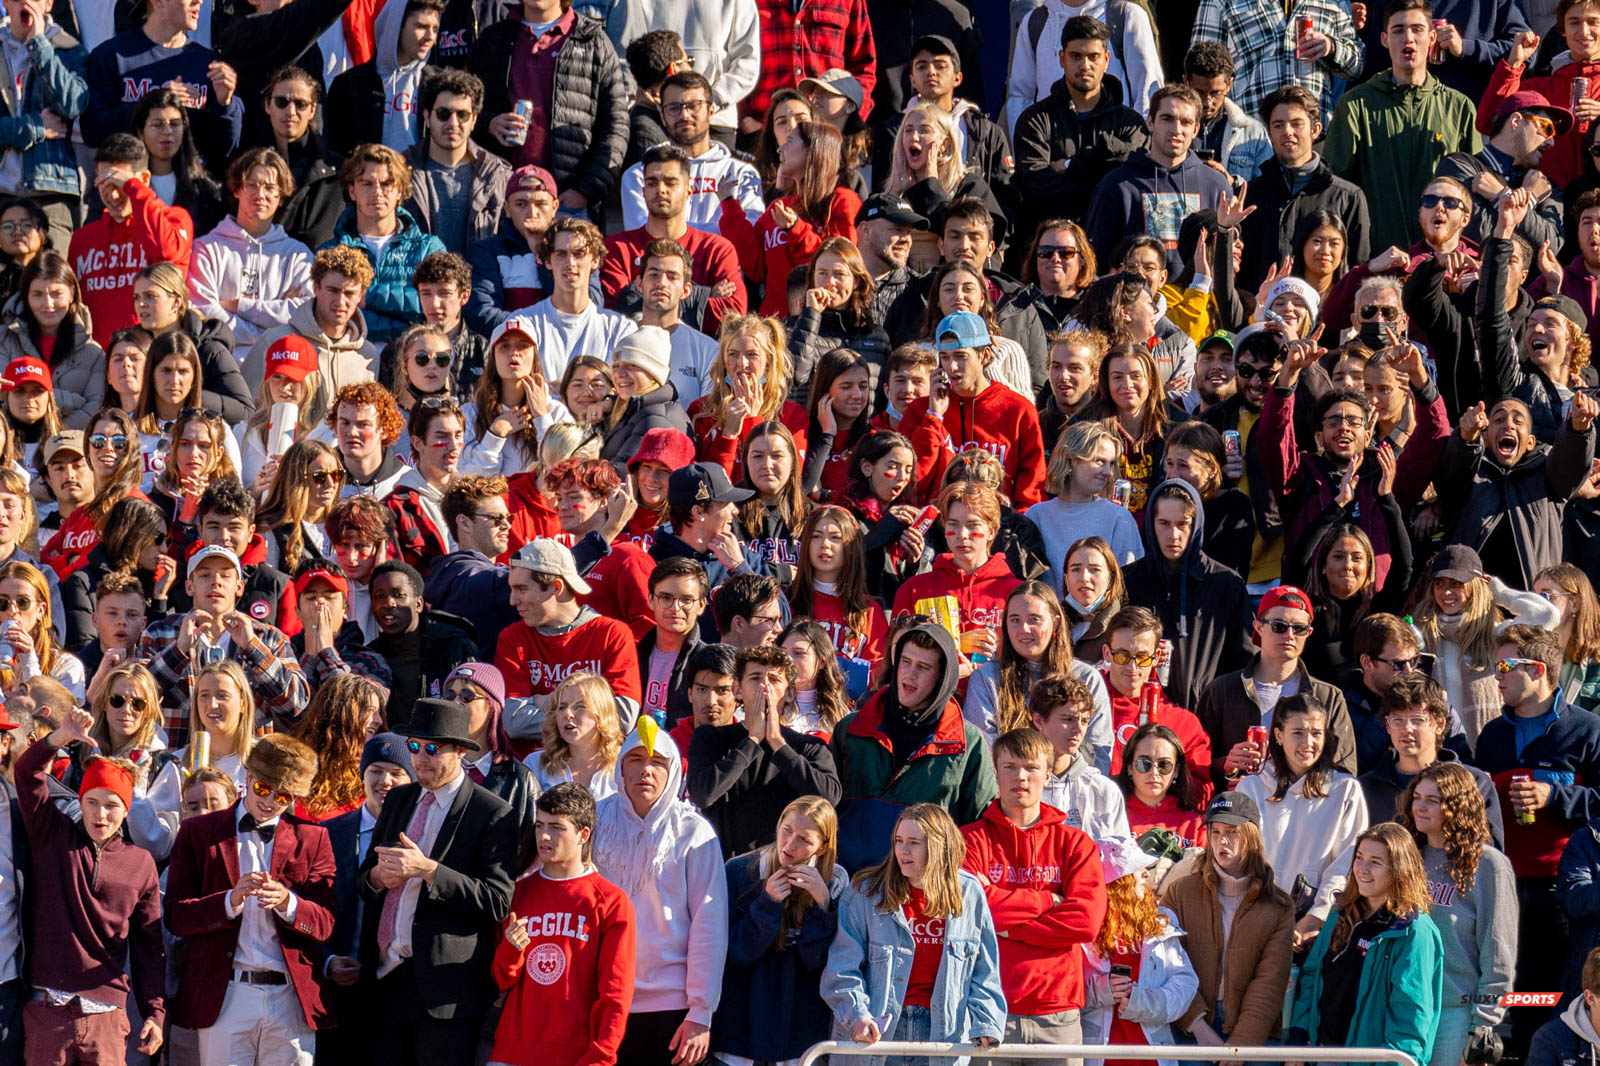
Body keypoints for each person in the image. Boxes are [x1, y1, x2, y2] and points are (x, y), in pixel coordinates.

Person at [357, 698, 519, 1066]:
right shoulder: (399, 799)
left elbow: (497, 900)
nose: (420, 758)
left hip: (445, 993)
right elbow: (364, 880)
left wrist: (429, 870)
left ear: (460, 751)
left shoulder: (491, 812)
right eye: (414, 746)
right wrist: (379, 877)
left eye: (432, 748)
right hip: (385, 978)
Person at [164, 732, 336, 1065]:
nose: (270, 801)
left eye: (283, 796)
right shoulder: (198, 832)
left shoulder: (314, 837)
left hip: (290, 997)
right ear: (248, 777)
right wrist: (229, 902)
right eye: (263, 788)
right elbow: (176, 917)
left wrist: (289, 903)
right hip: (225, 993)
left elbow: (326, 924)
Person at [15, 712, 165, 1064]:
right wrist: (60, 737)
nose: (101, 814)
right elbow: (27, 773)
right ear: (79, 802)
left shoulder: (141, 862)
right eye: (92, 802)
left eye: (112, 805)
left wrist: (154, 1013)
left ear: (126, 810)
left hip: (107, 1018)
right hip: (46, 1009)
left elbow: (148, 946)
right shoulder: (52, 834)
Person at [960, 726, 1108, 1057]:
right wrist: (1048, 901)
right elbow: (970, 914)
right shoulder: (970, 841)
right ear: (995, 773)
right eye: (1010, 767)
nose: (1020, 777)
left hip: (1058, 1013)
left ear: (1047, 773)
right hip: (988, 1009)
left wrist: (1005, 924)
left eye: (1031, 767)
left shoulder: (1075, 844)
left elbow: (1085, 922)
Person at [592, 717, 728, 1066]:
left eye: (657, 762)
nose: (645, 771)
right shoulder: (594, 821)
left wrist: (701, 1012)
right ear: (621, 766)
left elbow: (708, 926)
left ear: (673, 771)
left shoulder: (695, 833)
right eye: (636, 759)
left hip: (671, 1007)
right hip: (600, 997)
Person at [822, 803, 1006, 1055]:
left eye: (914, 843)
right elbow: (842, 967)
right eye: (898, 841)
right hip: (877, 1035)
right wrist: (857, 1016)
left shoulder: (969, 892)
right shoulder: (866, 892)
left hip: (942, 1036)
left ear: (938, 846)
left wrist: (986, 1024)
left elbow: (985, 972)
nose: (902, 851)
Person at [489, 782, 637, 1066]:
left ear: (583, 834)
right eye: (540, 825)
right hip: (511, 1051)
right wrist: (511, 949)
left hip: (575, 1056)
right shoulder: (517, 893)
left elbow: (616, 991)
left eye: (557, 827)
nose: (544, 836)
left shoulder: (611, 902)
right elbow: (501, 978)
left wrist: (601, 1057)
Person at [829, 621, 997, 870]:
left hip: (923, 890)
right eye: (905, 662)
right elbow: (825, 810)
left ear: (942, 676)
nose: (909, 674)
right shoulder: (851, 728)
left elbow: (980, 829)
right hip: (851, 881)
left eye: (923, 667)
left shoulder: (968, 743)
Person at [1287, 822, 1444, 1066]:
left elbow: (1411, 1016)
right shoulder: (1340, 913)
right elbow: (1311, 977)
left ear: (1399, 870)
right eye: (1359, 858)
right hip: (1321, 1055)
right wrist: (1299, 1037)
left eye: (1375, 861)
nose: (1362, 868)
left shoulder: (1413, 931)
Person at [1399, 762, 1519, 1066]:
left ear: (1458, 806)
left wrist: (1483, 1025)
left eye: (1433, 801)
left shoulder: (1488, 865)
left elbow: (1498, 950)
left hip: (1457, 1013)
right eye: (1417, 797)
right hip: (1404, 1007)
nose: (1420, 807)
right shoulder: (1407, 856)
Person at [1159, 791, 1296, 1053]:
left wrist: (1241, 1045)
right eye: (1215, 832)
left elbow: (1270, 981)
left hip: (1254, 1032)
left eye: (1232, 832)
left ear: (1251, 837)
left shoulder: (1279, 905)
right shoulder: (1179, 892)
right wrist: (1198, 1026)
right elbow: (1167, 964)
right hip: (1187, 1027)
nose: (1222, 841)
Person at [713, 794, 845, 1064]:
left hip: (800, 1036)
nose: (789, 844)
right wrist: (767, 904)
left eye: (804, 840)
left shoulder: (834, 880)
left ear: (821, 848)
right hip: (741, 1029)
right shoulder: (740, 870)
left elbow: (819, 964)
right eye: (787, 830)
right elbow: (732, 954)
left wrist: (822, 907)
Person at [469, 0, 629, 222]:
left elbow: (616, 126)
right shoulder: (493, 39)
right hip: (501, 201)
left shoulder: (592, 40)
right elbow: (465, 108)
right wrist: (488, 123)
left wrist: (585, 191)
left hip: (568, 202)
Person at [1236, 693, 1370, 952]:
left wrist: (1316, 917)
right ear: (1278, 735)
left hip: (1317, 931)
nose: (1308, 743)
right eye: (1298, 732)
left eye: (1316, 733)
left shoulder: (1345, 790)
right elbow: (1241, 861)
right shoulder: (1250, 787)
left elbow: (1347, 861)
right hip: (1254, 923)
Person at [138, 544, 310, 742]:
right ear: (189, 586)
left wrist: (254, 648)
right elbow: (137, 699)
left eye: (225, 575)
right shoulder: (159, 632)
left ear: (239, 587)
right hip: (178, 762)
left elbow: (297, 705)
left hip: (247, 767)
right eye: (205, 575)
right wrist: (179, 650)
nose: (215, 582)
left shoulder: (268, 637)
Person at [1198, 585, 1358, 792]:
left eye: (1299, 628)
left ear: (1308, 633)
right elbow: (1193, 764)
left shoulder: (1328, 697)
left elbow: (1345, 770)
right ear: (1258, 627)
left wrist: (1298, 777)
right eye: (1279, 626)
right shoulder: (1221, 690)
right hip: (1239, 813)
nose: (1289, 635)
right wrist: (1226, 766)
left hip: (1304, 812)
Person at [686, 643, 841, 856]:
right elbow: (703, 794)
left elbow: (828, 799)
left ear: (789, 693)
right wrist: (751, 742)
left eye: (774, 680)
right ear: (737, 689)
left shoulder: (808, 747)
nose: (764, 686)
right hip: (721, 869)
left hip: (781, 868)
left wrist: (778, 743)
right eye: (755, 678)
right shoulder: (711, 737)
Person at [1012, 17, 1149, 251]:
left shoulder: (1130, 123)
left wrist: (1070, 165)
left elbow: (1134, 176)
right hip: (1049, 250)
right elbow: (1037, 185)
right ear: (1062, 58)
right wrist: (1105, 183)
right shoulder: (1034, 120)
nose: (1085, 66)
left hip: (1114, 249)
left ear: (1106, 60)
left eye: (1093, 57)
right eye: (1076, 56)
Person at [1122, 479, 1253, 713]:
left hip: (1208, 716)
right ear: (1151, 524)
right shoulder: (1129, 581)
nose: (1173, 534)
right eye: (1164, 523)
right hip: (1138, 711)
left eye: (1183, 524)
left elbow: (1244, 659)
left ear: (1197, 525)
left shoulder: (1226, 583)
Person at [896, 311, 1047, 507]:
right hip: (936, 526)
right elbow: (912, 481)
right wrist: (933, 418)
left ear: (984, 355)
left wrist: (1016, 526)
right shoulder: (921, 410)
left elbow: (1032, 486)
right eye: (945, 357)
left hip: (1000, 526)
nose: (952, 366)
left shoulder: (1018, 410)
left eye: (961, 356)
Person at [1085, 85, 1230, 278]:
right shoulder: (1117, 185)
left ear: (1196, 130)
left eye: (1186, 122)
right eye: (1167, 119)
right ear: (1150, 122)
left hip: (1200, 302)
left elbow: (1229, 258)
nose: (1176, 129)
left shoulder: (1216, 185)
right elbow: (1097, 259)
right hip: (1135, 301)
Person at [1078, 834, 1199, 1066]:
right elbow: (1068, 992)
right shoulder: (1085, 927)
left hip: (1152, 1057)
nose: (1146, 874)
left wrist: (1143, 1002)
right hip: (1099, 1057)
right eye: (1137, 869)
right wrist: (1103, 990)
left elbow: (1185, 984)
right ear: (1116, 881)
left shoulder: (1160, 921)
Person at [717, 121, 860, 318]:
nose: (780, 148)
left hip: (821, 324)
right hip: (774, 325)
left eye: (790, 141)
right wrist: (729, 205)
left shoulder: (843, 201)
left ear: (812, 151)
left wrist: (795, 229)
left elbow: (840, 264)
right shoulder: (780, 206)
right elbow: (755, 268)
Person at [67, 133, 194, 349]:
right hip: (96, 361)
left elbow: (164, 251)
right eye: (105, 183)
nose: (114, 196)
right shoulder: (82, 238)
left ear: (143, 180)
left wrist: (135, 190)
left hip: (154, 354)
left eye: (120, 184)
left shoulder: (174, 219)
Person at [1238, 86, 1372, 290]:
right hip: (1260, 316)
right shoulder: (1250, 195)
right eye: (1278, 125)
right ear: (1269, 133)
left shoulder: (1347, 197)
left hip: (1327, 315)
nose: (1287, 132)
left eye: (1296, 124)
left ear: (1315, 130)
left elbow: (1357, 271)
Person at [188, 146, 314, 359]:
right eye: (252, 185)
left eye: (270, 187)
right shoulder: (206, 249)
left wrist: (239, 306)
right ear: (237, 190)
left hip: (279, 370)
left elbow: (305, 314)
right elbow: (204, 314)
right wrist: (271, 328)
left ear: (281, 196)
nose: (260, 194)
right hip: (221, 365)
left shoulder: (297, 255)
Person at [963, 579, 1113, 757]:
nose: (1024, 629)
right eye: (1015, 620)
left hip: (1074, 782)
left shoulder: (1087, 678)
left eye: (1034, 619)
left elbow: (1099, 753)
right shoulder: (987, 678)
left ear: (1055, 623)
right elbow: (982, 751)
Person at [495, 538, 643, 717]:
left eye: (521, 589)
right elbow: (515, 721)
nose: (513, 600)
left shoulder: (612, 634)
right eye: (512, 589)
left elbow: (623, 716)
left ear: (556, 587)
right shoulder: (512, 639)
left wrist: (542, 701)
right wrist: (590, 708)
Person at [82, 0, 243, 162]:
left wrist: (225, 104)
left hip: (190, 181)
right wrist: (153, 103)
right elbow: (92, 132)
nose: (199, 1)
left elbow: (225, 148)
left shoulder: (210, 64)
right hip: (131, 180)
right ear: (158, 2)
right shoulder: (110, 56)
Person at [323, 144, 447, 345]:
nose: (377, 192)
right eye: (367, 184)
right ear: (352, 191)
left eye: (386, 183)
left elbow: (437, 304)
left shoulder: (428, 249)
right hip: (350, 355)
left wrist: (368, 297)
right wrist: (402, 309)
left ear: (400, 191)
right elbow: (327, 315)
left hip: (413, 358)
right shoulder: (331, 253)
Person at [1361, 675, 1505, 846]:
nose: (1407, 729)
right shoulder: (1365, 788)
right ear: (1387, 726)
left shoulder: (1473, 782)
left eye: (1417, 720)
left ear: (1439, 724)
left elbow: (1490, 855)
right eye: (1398, 720)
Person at [619, 73, 762, 234]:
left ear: (711, 110)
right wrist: (720, 230)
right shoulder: (639, 176)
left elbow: (751, 232)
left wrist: (672, 228)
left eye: (694, 105)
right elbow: (646, 236)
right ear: (662, 114)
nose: (684, 115)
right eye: (674, 107)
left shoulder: (741, 173)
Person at [1192, 0, 1362, 126]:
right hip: (1250, 135)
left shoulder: (1334, 1)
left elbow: (1357, 64)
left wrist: (1331, 48)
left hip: (1312, 135)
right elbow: (1200, 65)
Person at [243, 246, 379, 403]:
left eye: (349, 293)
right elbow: (247, 408)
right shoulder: (275, 341)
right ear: (316, 288)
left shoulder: (368, 356)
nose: (340, 301)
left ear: (361, 296)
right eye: (332, 290)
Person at [403, 68, 509, 254]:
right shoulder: (401, 171)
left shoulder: (498, 175)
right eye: (444, 114)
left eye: (462, 115)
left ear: (474, 120)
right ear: (427, 117)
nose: (453, 123)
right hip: (418, 281)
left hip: (479, 280)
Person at [360, 558, 476, 724]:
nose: (388, 603)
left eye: (398, 595)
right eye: (379, 597)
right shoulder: (369, 659)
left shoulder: (454, 648)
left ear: (419, 604)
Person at [324, 0, 441, 156]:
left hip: (420, 179)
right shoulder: (348, 85)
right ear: (396, 26)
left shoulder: (438, 84)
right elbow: (334, 150)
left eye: (435, 29)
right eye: (421, 27)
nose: (430, 36)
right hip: (369, 178)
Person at [441, 662, 541, 832]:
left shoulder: (520, 779)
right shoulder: (427, 764)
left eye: (467, 696)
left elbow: (528, 847)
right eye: (449, 696)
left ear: (492, 707)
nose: (456, 703)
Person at [1184, 41, 1271, 180]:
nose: (1207, 102)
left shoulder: (1253, 131)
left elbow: (1268, 187)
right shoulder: (1168, 127)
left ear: (1229, 85)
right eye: (1199, 92)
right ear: (1186, 83)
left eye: (1215, 93)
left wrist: (1233, 183)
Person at [533, 671, 626, 798]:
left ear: (602, 713)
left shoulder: (625, 763)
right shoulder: (536, 764)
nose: (567, 714)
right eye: (561, 707)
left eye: (579, 707)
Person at [1115, 722, 1208, 847]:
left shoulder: (1195, 824)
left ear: (1176, 770)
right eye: (1144, 763)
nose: (1154, 772)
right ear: (1129, 768)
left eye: (1164, 764)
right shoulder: (1112, 817)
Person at [328, 382, 408, 499]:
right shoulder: (320, 480)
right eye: (345, 423)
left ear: (385, 429)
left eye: (362, 424)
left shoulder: (405, 482)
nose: (352, 432)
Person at [1536, 563, 1600, 708]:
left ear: (1574, 603)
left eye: (1545, 595)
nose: (1536, 603)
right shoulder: (1531, 655)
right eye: (1533, 596)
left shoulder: (1596, 656)